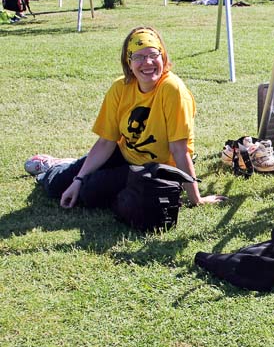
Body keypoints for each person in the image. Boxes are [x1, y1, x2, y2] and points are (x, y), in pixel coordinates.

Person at [26, 26, 226, 213]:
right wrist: (77, 178)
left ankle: (79, 172)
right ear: (128, 62)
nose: (147, 63)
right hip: (124, 154)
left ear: (163, 58)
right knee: (58, 186)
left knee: (90, 193)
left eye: (153, 55)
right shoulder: (120, 88)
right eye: (138, 57)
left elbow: (179, 150)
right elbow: (106, 141)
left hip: (157, 169)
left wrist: (196, 199)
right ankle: (56, 167)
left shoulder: (173, 90)